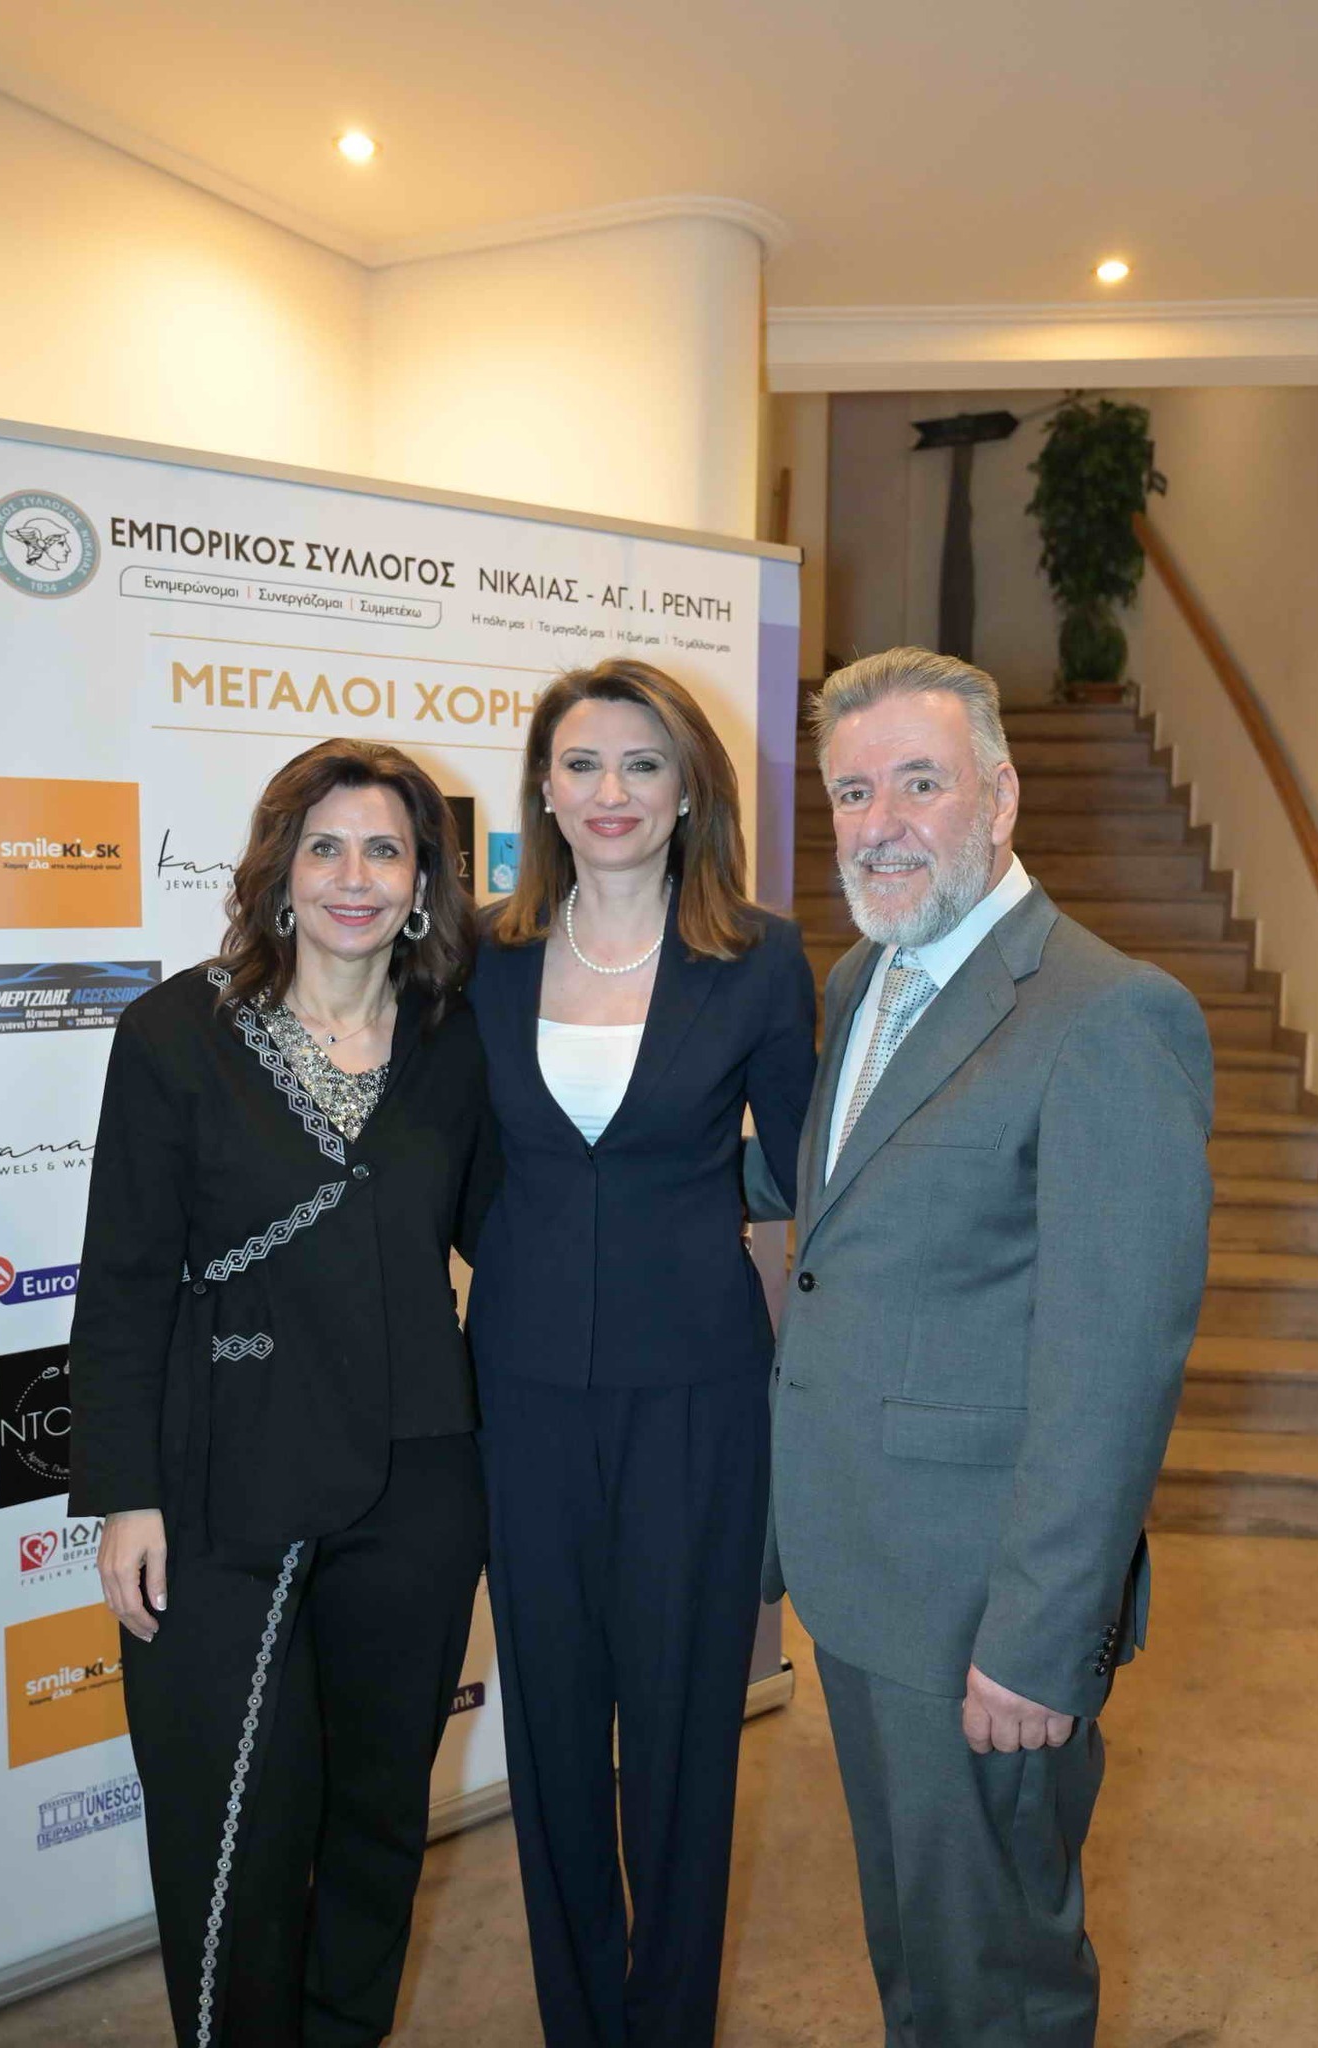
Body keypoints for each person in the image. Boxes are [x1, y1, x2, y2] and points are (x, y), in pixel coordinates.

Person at [764, 648, 1213, 2046]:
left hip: (980, 1618)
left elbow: (1113, 1369)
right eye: (853, 792)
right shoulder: (863, 979)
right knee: (920, 1957)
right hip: (867, 1582)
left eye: (921, 782)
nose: (881, 824)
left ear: (1002, 797)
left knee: (996, 1983)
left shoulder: (1106, 1014)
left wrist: (1037, 1639)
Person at [69, 737, 498, 2048]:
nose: (354, 878)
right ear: (278, 871)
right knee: (233, 1835)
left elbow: (513, 1234)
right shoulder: (174, 1035)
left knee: (377, 1820)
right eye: (325, 848)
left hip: (417, 1482)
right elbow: (123, 1281)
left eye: (385, 850)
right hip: (224, 1484)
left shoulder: (458, 1042)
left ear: (423, 881)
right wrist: (124, 1495)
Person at [467, 657, 817, 2048]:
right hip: (521, 1389)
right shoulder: (483, 957)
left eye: (642, 764)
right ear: (545, 792)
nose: (610, 792)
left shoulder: (761, 956)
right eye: (582, 764)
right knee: (551, 1724)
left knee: (681, 1732)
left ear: (688, 793)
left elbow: (808, 1166)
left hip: (698, 1393)